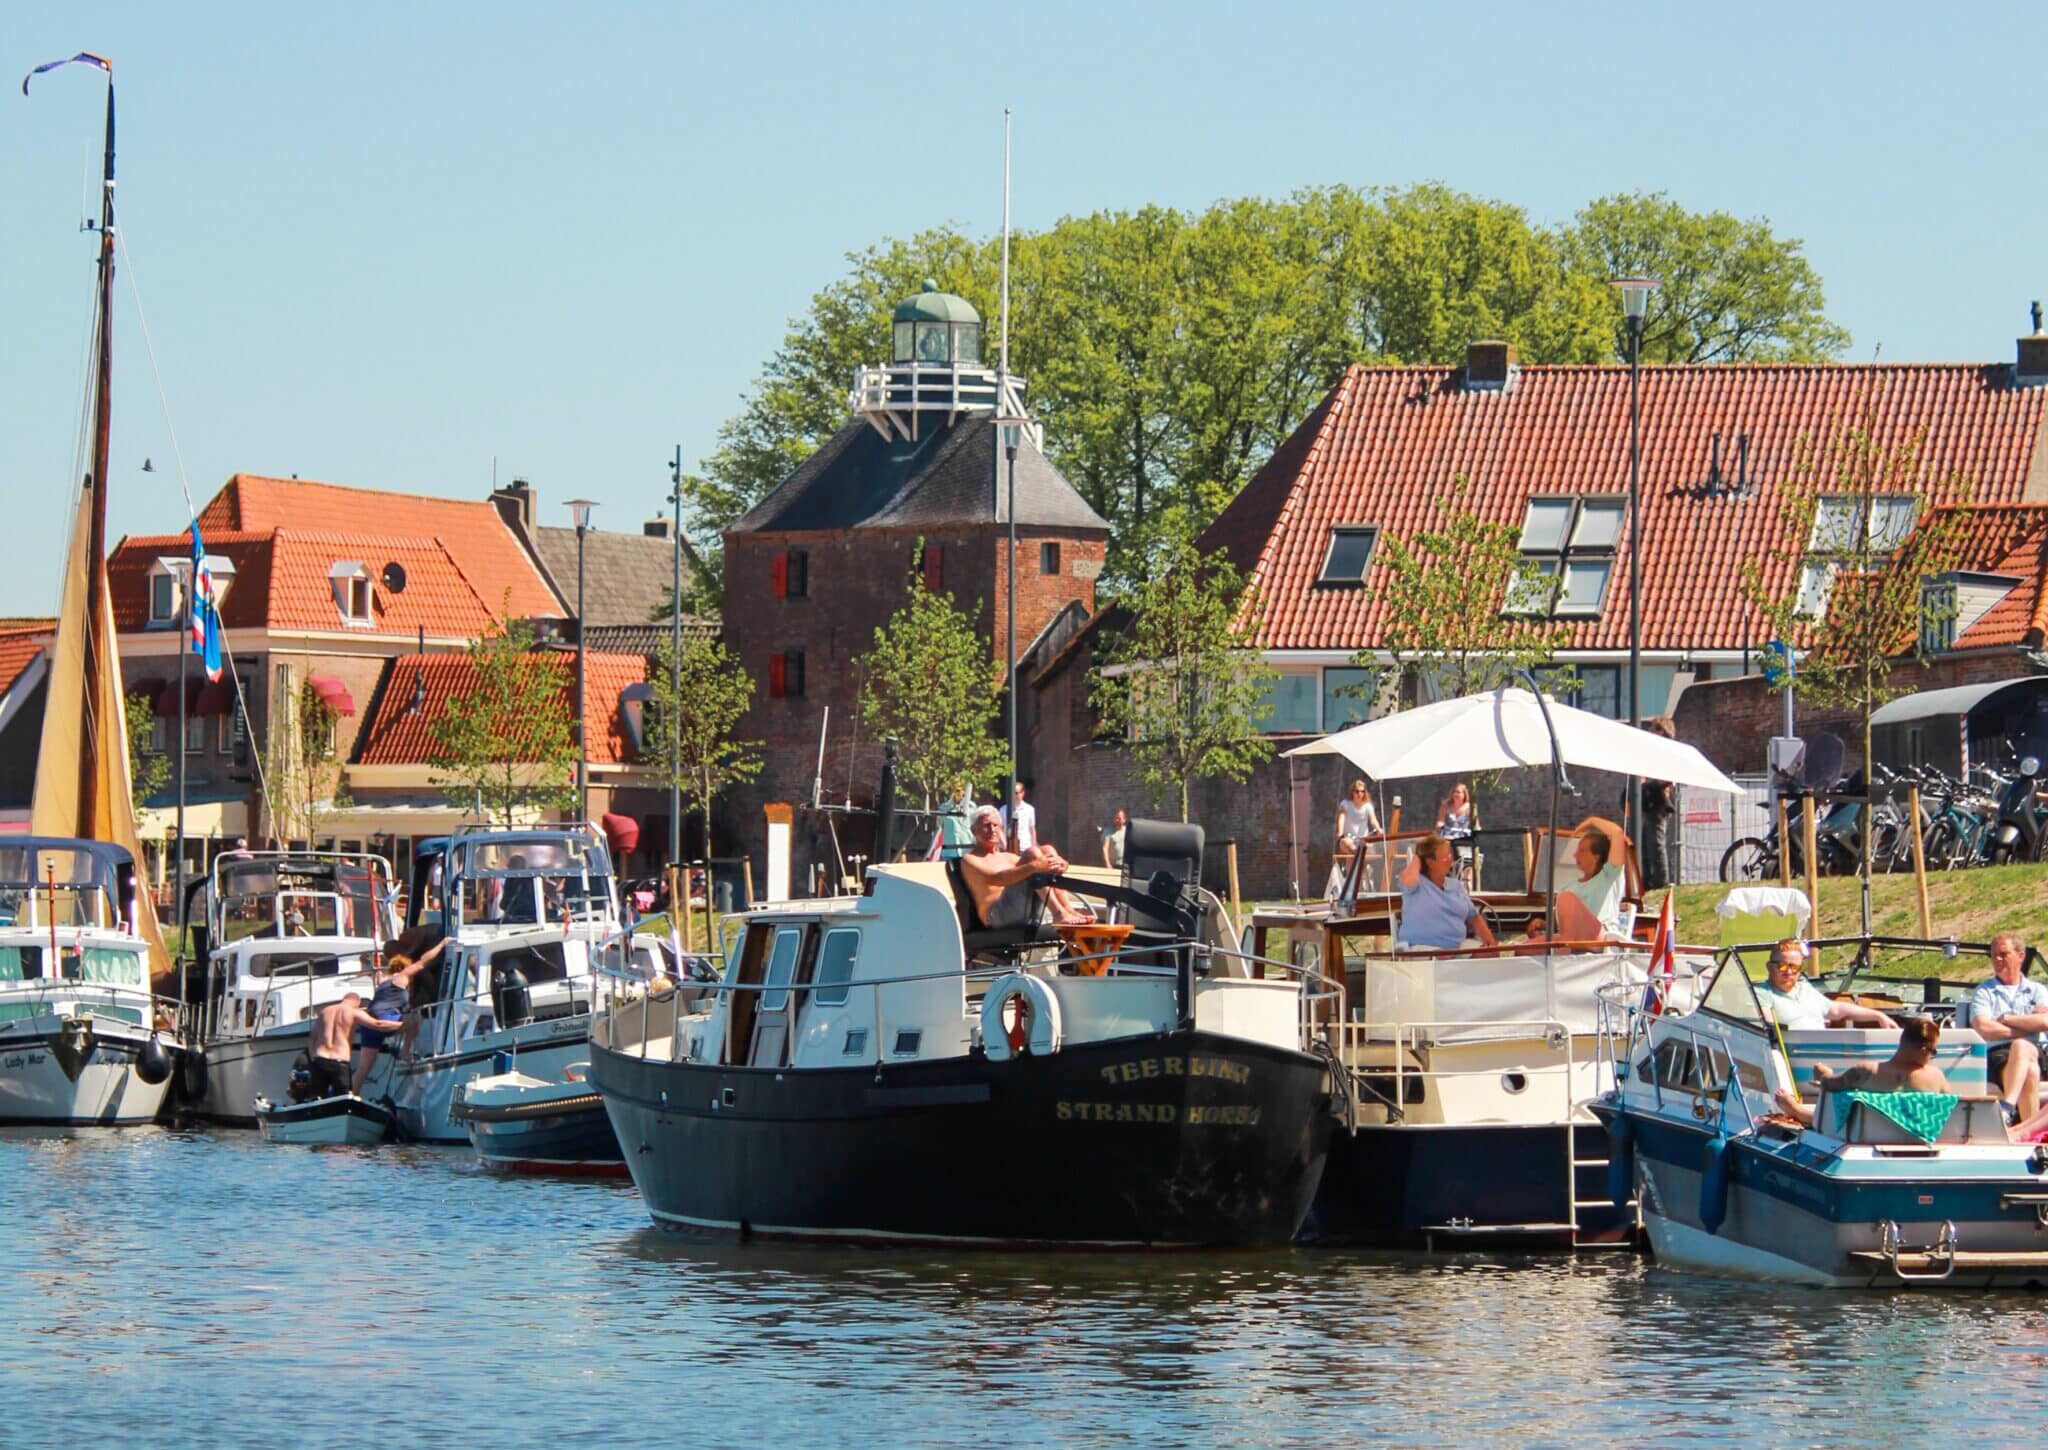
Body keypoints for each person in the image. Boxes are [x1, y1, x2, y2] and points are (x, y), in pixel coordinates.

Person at [1773, 1017, 1951, 1124]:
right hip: (1914, 1138)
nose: (1932, 1056)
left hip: (1865, 1135)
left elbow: (1830, 1085)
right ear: (1923, 1049)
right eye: (1934, 1051)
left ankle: (1795, 1110)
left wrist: (1823, 1074)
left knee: (1838, 1104)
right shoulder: (1936, 1077)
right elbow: (1955, 1107)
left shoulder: (1867, 1072)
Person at [958, 804, 1089, 928]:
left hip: (1024, 909)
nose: (992, 830)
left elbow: (1038, 864)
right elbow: (997, 879)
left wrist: (1061, 864)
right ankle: (1058, 913)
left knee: (1048, 850)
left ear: (1002, 829)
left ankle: (1067, 909)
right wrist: (1036, 866)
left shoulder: (1008, 857)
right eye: (986, 825)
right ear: (974, 830)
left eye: (996, 825)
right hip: (996, 916)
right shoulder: (970, 859)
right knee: (1033, 853)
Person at [1967, 932, 2046, 1126]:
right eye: (1994, 955)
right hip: (1998, 1055)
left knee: (2024, 1051)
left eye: (2003, 954)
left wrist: (2006, 1019)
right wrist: (2028, 1027)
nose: (1997, 960)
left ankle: (2008, 1107)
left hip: (2039, 1053)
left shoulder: (2037, 990)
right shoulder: (1984, 991)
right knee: (2029, 1068)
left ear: (2020, 955)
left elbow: (2045, 1022)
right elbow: (1984, 1027)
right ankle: (2029, 1134)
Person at [353, 937, 447, 1089]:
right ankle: (405, 1053)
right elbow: (422, 962)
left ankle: (353, 1094)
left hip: (369, 1024)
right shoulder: (401, 977)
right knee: (415, 1019)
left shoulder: (383, 984)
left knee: (364, 1068)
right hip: (384, 1020)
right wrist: (441, 945)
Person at [1758, 938, 1898, 1031]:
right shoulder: (1762, 994)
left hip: (1821, 1053)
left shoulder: (1804, 989)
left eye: (1794, 968)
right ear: (1769, 967)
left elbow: (1835, 1009)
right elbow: (1767, 1032)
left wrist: (1878, 1016)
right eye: (1782, 966)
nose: (1789, 972)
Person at [1396, 834, 1498, 951]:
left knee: (1488, 954)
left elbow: (1473, 917)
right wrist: (1418, 857)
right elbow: (1408, 878)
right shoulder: (1416, 883)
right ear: (1430, 862)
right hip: (1421, 949)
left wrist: (1491, 942)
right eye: (1445, 857)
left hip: (1456, 947)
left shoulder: (1455, 886)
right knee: (1442, 959)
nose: (1451, 860)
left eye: (1450, 854)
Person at [1539, 815, 1628, 942]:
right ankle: (1564, 947)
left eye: (1581, 850)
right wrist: (1543, 924)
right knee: (1523, 950)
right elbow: (1559, 923)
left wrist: (1591, 821)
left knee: (1566, 898)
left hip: (1600, 938)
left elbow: (1617, 833)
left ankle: (1565, 949)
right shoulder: (1568, 887)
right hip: (1570, 938)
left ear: (1595, 856)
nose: (1575, 855)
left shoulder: (1610, 877)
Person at [309, 992, 400, 1100]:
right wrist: (400, 1024)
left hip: (320, 1059)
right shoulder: (353, 1012)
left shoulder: (324, 1011)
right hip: (339, 1061)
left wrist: (313, 1058)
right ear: (357, 1003)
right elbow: (377, 1024)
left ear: (344, 999)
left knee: (318, 1098)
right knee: (343, 1099)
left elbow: (312, 1038)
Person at [936, 782, 976, 861]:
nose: (958, 793)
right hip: (950, 852)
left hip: (967, 852)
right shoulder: (944, 807)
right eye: (955, 790)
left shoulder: (971, 807)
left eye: (959, 790)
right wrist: (952, 803)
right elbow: (940, 824)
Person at [999, 781, 1038, 853]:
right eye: (1013, 793)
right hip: (1007, 847)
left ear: (1022, 793)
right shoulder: (1003, 809)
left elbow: (1032, 829)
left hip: (1025, 847)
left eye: (1016, 793)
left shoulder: (1029, 809)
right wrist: (1004, 844)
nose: (1015, 795)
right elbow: (1000, 829)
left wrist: (1034, 846)